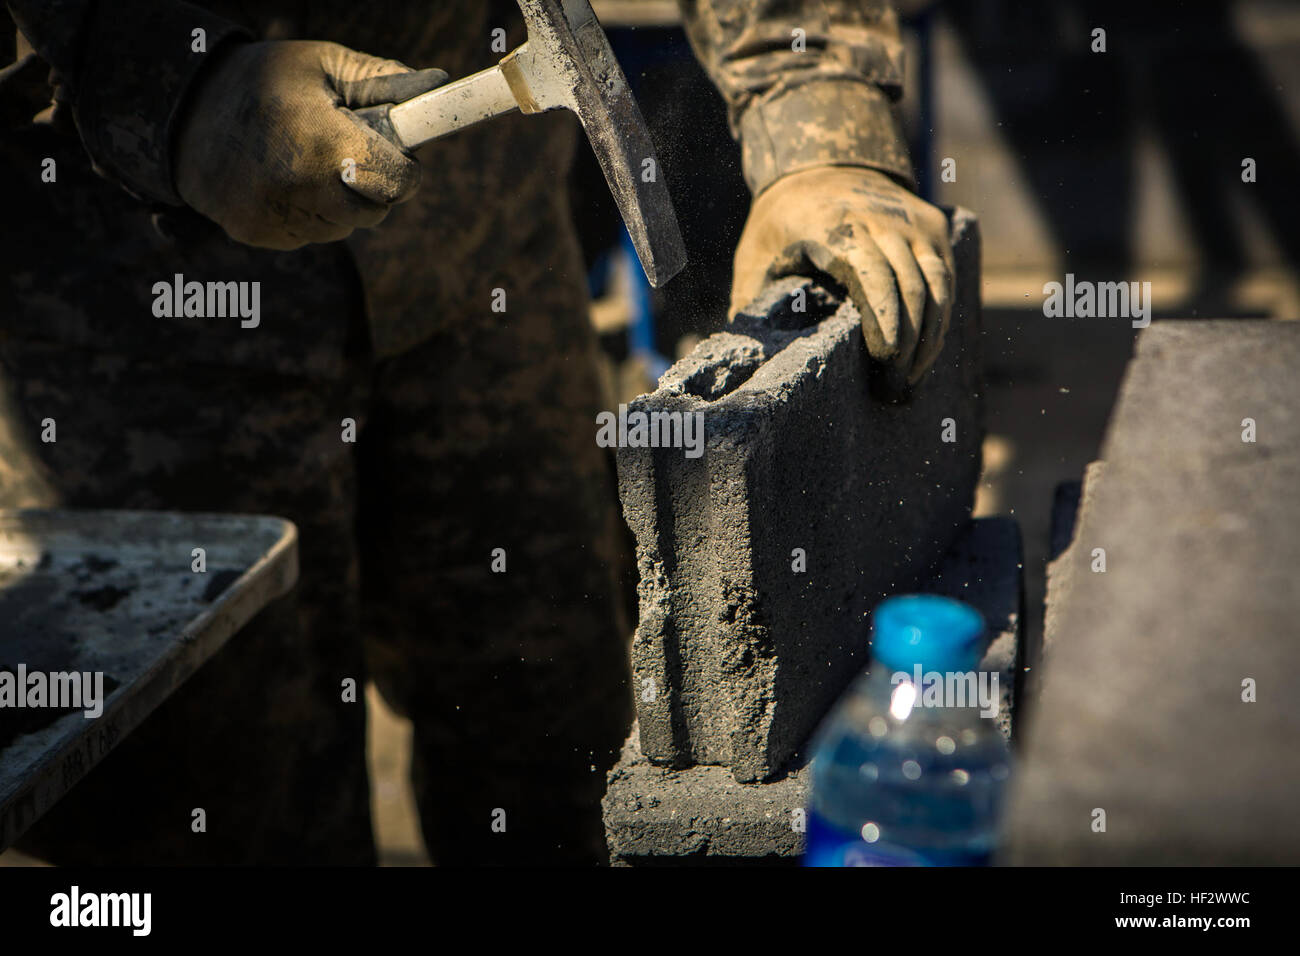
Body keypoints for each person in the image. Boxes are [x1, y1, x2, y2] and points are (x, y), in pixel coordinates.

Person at [0, 0, 952, 865]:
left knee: (560, 750)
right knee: (205, 815)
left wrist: (819, 128)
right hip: (113, 320)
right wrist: (171, 80)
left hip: (479, 260)